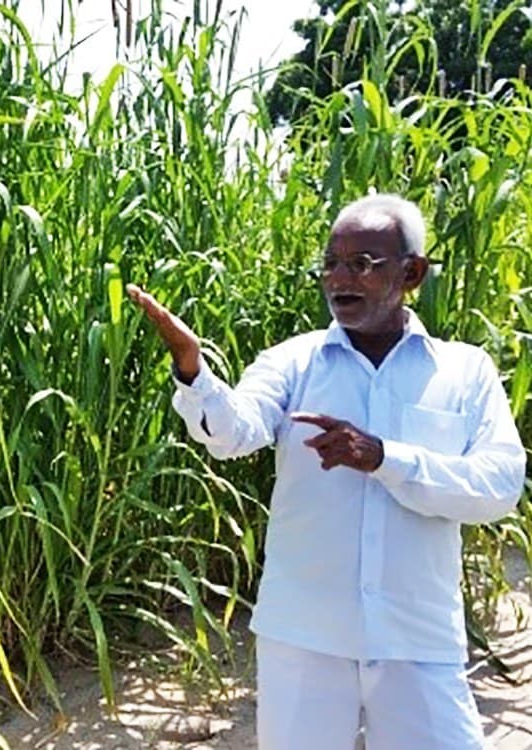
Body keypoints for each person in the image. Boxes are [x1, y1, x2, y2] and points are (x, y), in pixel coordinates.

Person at [127, 193, 525, 750]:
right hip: (305, 638)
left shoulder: (464, 370)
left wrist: (386, 458)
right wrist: (193, 371)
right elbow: (234, 433)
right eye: (331, 263)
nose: (340, 277)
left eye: (363, 263)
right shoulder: (293, 360)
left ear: (412, 272)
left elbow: (500, 485)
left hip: (418, 638)